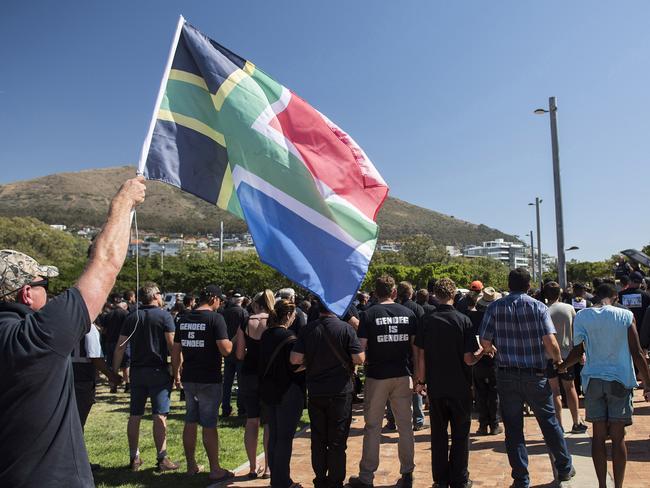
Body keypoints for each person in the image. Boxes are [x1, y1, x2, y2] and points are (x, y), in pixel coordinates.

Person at [0, 176, 146, 487]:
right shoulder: (33, 337)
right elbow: (105, 263)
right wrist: (124, 204)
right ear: (26, 293)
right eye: (45, 286)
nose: (49, 294)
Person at [479, 268, 575, 488]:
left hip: (506, 374)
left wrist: (493, 349)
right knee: (549, 423)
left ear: (509, 284)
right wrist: (558, 362)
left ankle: (521, 478)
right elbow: (550, 342)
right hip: (536, 374)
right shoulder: (538, 307)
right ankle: (564, 467)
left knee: (513, 429)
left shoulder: (494, 307)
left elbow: (484, 341)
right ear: (529, 285)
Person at [561, 283, 650, 488]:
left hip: (593, 382)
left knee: (598, 436)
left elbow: (577, 352)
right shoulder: (625, 316)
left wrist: (562, 366)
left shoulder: (582, 316)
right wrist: (647, 384)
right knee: (618, 438)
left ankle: (602, 484)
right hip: (619, 380)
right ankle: (617, 486)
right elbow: (636, 352)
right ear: (615, 297)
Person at [416, 278, 487, 488]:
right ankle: (459, 479)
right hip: (460, 387)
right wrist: (481, 353)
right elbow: (468, 358)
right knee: (460, 435)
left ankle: (440, 480)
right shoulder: (463, 320)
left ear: (435, 295)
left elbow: (420, 354)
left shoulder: (427, 321)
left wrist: (420, 381)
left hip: (436, 387)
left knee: (438, 435)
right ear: (454, 294)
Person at [348, 275, 418, 488]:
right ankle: (407, 474)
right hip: (402, 374)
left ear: (376, 293)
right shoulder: (408, 314)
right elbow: (415, 350)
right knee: (405, 426)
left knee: (372, 427)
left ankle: (367, 476)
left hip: (377, 376)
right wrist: (417, 377)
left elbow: (361, 348)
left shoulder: (368, 315)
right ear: (394, 292)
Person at [290, 298, 364, 488]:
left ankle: (320, 480)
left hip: (316, 391)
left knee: (319, 439)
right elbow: (358, 358)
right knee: (338, 441)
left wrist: (312, 360)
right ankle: (336, 481)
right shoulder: (346, 329)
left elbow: (295, 358)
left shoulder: (308, 329)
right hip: (341, 391)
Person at [113, 281, 179, 472]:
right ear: (155, 295)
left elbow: (120, 346)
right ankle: (162, 458)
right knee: (160, 415)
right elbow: (171, 345)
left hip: (137, 372)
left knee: (135, 414)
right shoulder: (164, 316)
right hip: (158, 371)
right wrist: (176, 372)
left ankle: (134, 456)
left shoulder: (132, 316)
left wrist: (115, 373)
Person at [171, 284, 234, 481]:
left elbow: (175, 349)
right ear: (214, 299)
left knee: (190, 420)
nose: (220, 303)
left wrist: (176, 374)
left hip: (189, 376)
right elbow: (225, 350)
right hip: (209, 378)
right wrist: (234, 341)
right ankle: (215, 469)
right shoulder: (216, 319)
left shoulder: (183, 318)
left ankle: (191, 466)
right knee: (209, 423)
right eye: (220, 300)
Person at [260, 299, 305, 488]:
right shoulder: (290, 338)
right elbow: (294, 366)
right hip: (288, 393)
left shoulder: (265, 335)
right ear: (287, 315)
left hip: (268, 391)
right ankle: (283, 481)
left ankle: (275, 479)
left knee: (274, 437)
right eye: (293, 314)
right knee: (285, 439)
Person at [235, 289, 275, 478]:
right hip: (269, 375)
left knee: (251, 421)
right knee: (268, 423)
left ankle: (252, 467)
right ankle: (268, 468)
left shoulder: (245, 321)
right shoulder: (274, 320)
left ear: (256, 304)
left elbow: (240, 354)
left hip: (249, 374)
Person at [544, 281, 587, 433]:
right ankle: (576, 422)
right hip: (567, 356)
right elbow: (577, 332)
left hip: (547, 356)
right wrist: (581, 353)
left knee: (554, 391)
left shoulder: (542, 309)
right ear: (559, 294)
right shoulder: (568, 308)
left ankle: (558, 425)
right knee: (570, 388)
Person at [387, 281, 425, 431]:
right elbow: (422, 333)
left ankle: (391, 420)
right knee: (416, 387)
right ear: (410, 293)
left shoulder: (393, 308)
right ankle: (418, 420)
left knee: (391, 391)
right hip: (413, 353)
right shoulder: (417, 309)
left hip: (395, 353)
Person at [467, 287, 502, 435]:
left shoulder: (470, 317)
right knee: (494, 393)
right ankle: (494, 424)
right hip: (494, 359)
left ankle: (482, 424)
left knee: (480, 392)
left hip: (477, 359)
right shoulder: (497, 317)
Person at [221, 292, 249, 417]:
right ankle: (241, 408)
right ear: (242, 299)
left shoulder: (224, 312)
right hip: (240, 350)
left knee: (227, 382)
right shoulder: (243, 313)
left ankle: (225, 408)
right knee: (241, 382)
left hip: (227, 350)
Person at [102, 295, 130, 393]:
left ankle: (113, 386)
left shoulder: (108, 315)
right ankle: (127, 385)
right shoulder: (126, 314)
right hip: (122, 342)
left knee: (112, 366)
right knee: (125, 365)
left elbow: (104, 331)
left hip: (109, 342)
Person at [618, 271, 650, 337]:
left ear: (629, 281)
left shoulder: (619, 295)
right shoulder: (646, 296)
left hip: (624, 332)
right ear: (641, 282)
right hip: (642, 333)